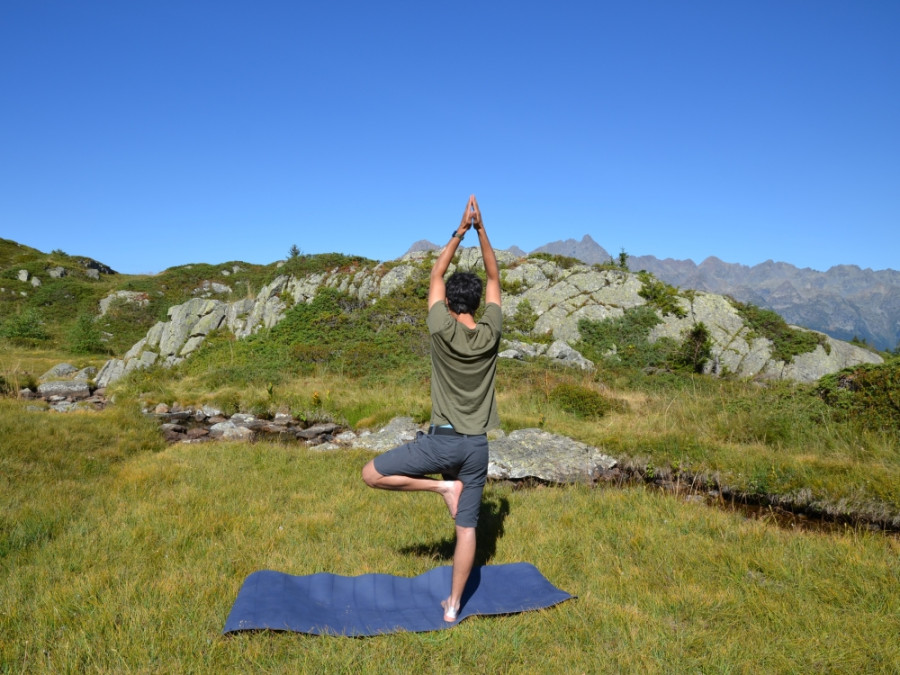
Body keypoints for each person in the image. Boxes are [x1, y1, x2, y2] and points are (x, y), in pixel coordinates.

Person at [362, 194, 502, 622]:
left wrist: (459, 230)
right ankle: (453, 606)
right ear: (478, 304)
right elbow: (495, 277)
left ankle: (442, 488)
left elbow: (436, 272)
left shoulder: (440, 326)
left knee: (371, 474)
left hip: (440, 445)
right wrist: (482, 231)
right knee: (466, 530)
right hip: (477, 448)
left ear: (450, 304)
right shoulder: (491, 332)